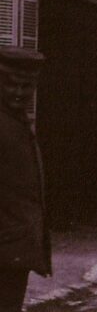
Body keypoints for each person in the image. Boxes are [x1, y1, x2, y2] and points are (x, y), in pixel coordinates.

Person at [0, 47, 48, 312]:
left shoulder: (17, 121)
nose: (19, 93)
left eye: (26, 86)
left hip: (14, 249)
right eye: (10, 85)